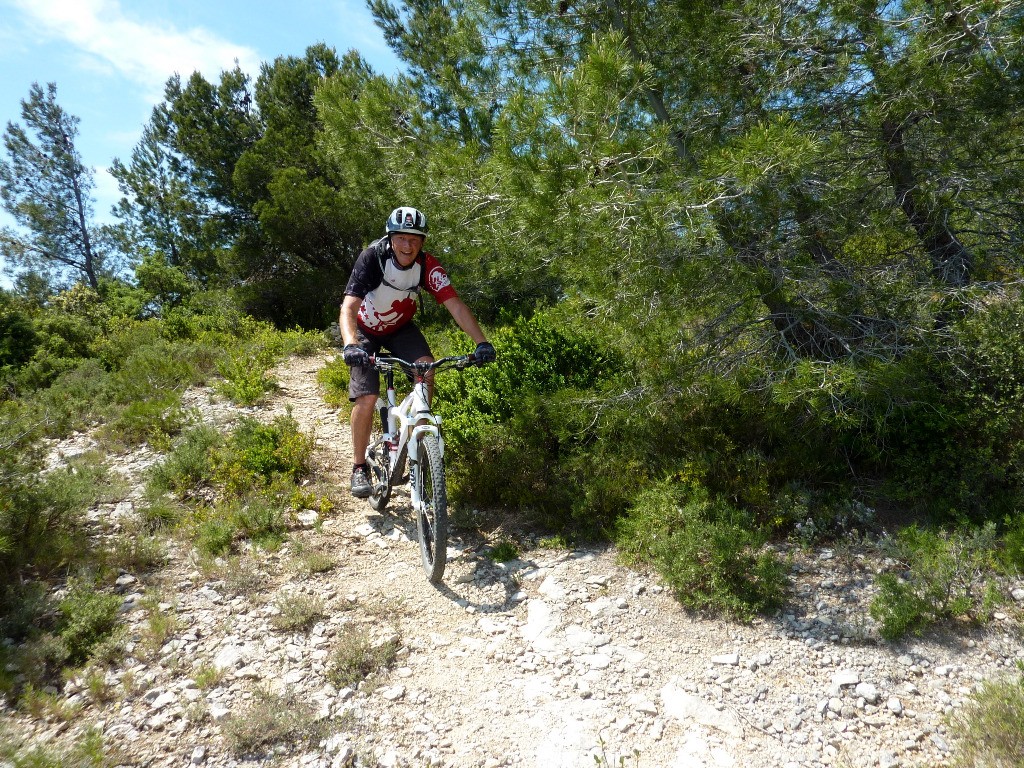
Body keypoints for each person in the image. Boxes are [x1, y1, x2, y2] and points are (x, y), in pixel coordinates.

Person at [340, 206, 496, 498]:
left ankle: (415, 445)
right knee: (367, 396)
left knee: (426, 367)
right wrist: (350, 344)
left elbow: (456, 306)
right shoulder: (373, 257)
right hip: (365, 330)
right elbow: (348, 306)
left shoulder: (428, 266)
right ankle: (359, 466)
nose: (407, 245)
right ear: (391, 238)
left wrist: (481, 342)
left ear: (422, 242)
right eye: (401, 238)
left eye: (414, 239)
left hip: (400, 327)